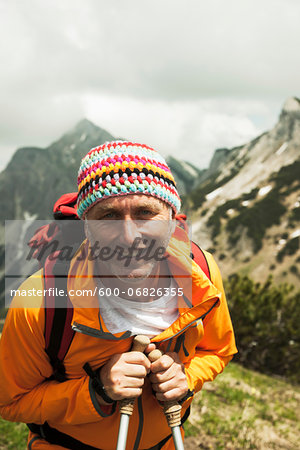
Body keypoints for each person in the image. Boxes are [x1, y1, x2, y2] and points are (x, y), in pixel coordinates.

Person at [0, 141, 237, 450]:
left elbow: (219, 350)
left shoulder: (201, 274)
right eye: (107, 216)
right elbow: (10, 401)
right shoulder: (40, 301)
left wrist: (187, 378)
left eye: (145, 212)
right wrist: (96, 392)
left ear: (171, 216)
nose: (129, 237)